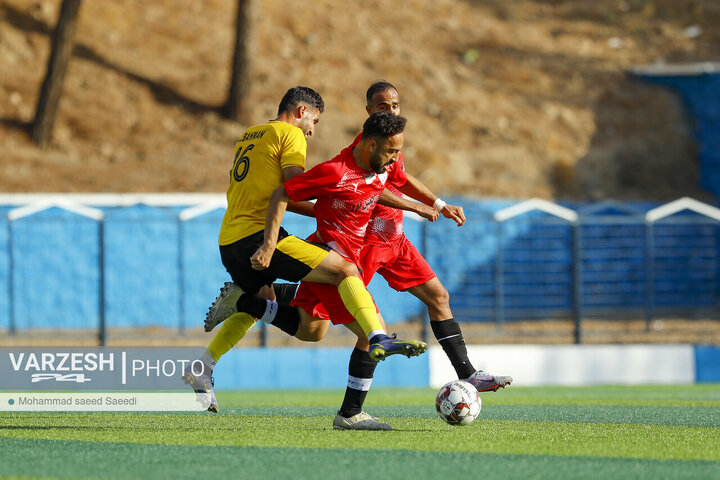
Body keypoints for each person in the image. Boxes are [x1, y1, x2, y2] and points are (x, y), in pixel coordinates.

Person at [183, 88, 429, 411]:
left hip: (228, 239)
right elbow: (291, 190)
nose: (312, 130)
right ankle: (378, 336)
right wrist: (338, 203)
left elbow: (269, 189)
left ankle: (203, 366)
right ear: (300, 111)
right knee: (344, 269)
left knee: (271, 306)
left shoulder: (250, 134)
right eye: (313, 120)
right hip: (259, 236)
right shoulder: (291, 135)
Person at [353, 81, 513, 395]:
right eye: (382, 106)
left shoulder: (393, 142)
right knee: (322, 316)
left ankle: (469, 375)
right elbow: (373, 187)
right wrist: (417, 207)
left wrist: (438, 203)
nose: (390, 111)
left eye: (394, 106)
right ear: (369, 111)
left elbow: (400, 178)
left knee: (438, 297)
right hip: (366, 242)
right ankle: (258, 299)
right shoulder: (366, 145)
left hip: (395, 243)